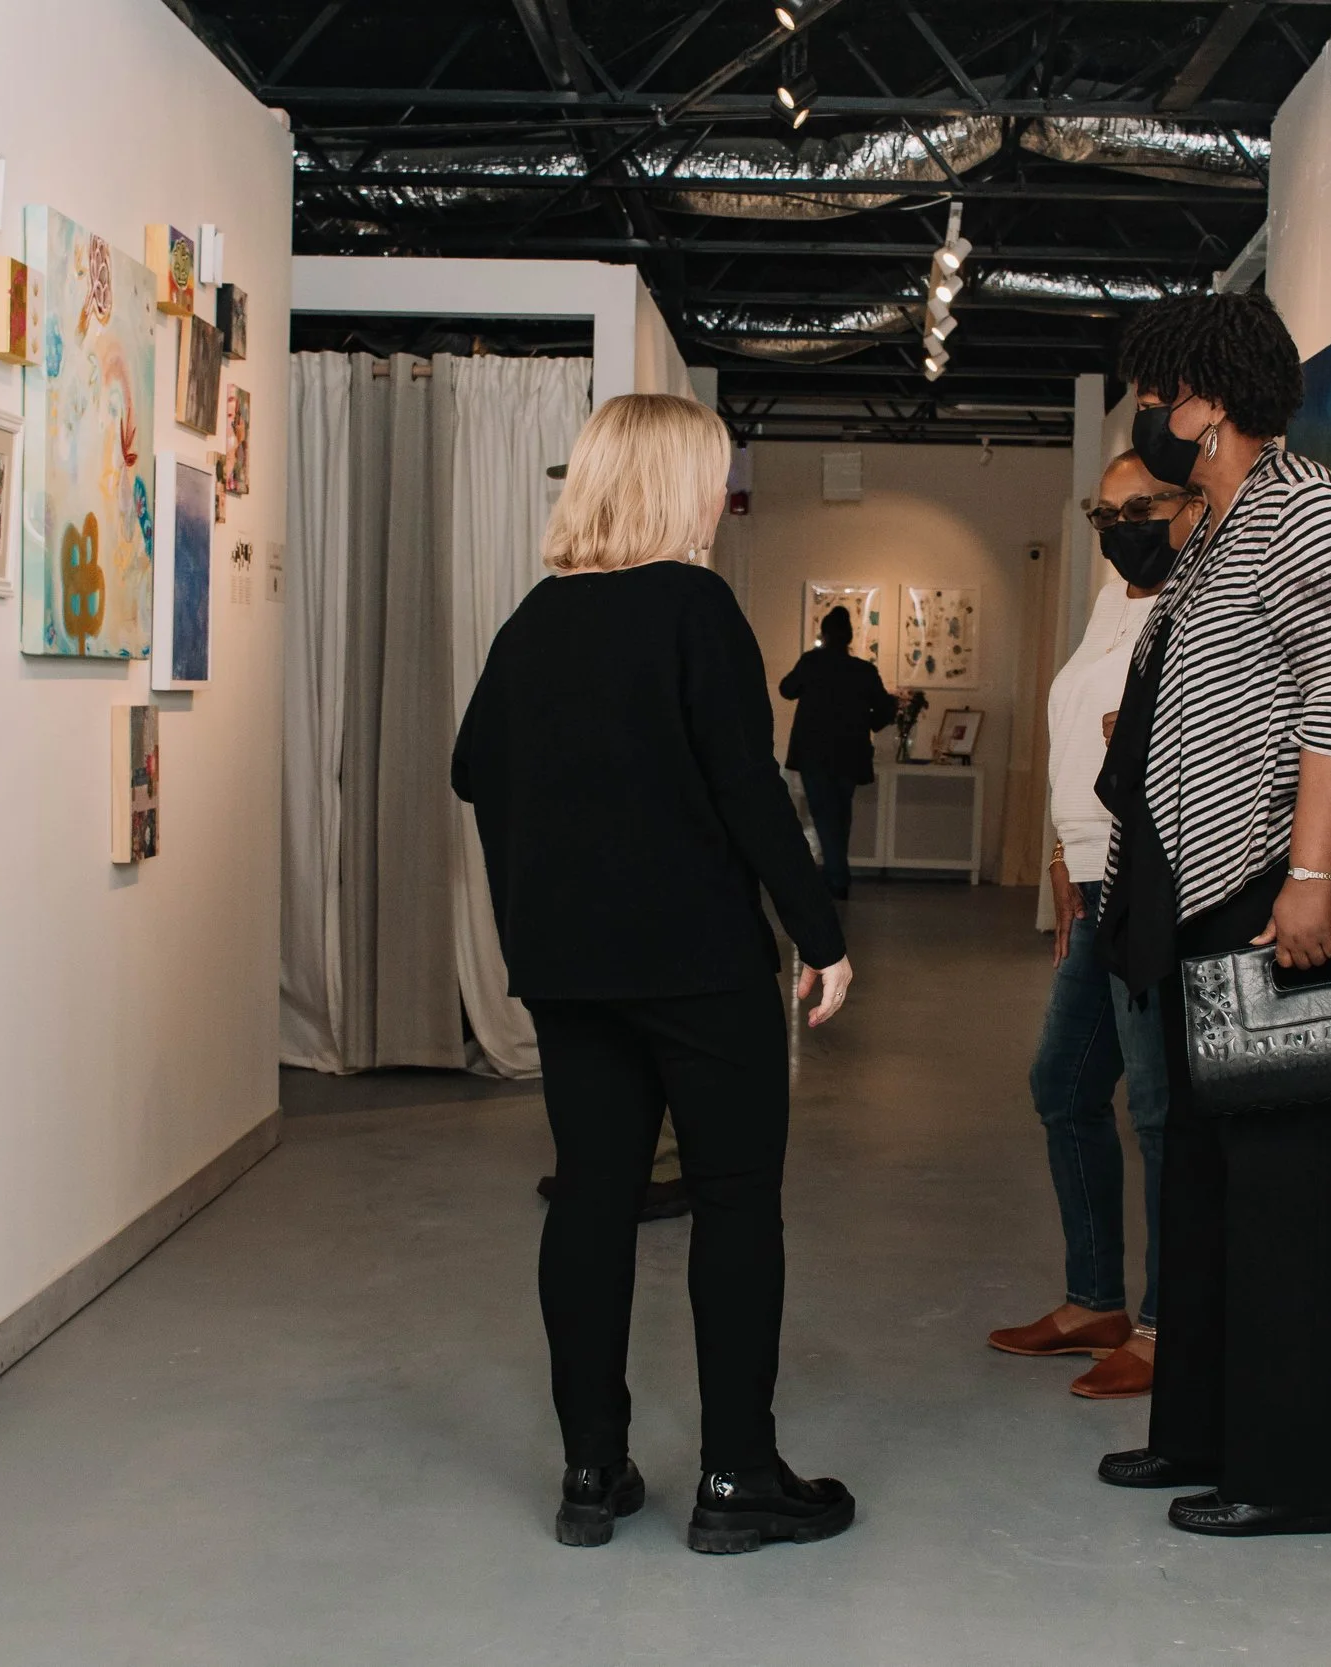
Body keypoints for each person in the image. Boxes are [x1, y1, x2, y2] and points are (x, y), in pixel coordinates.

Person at [451, 392, 860, 1556]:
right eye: (714, 477)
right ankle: (737, 1478)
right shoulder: (693, 606)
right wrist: (820, 933)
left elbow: (474, 767)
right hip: (697, 962)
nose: (722, 499)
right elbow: (746, 785)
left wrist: (538, 891)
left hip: (568, 966)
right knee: (733, 1199)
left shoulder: (535, 619)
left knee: (593, 1196)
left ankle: (591, 1470)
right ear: (677, 485)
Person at [1090, 292, 1331, 1538]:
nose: (1147, 414)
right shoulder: (1214, 524)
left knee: (1275, 1176)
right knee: (1204, 1170)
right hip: (1202, 888)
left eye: (1156, 393)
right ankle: (1202, 1430)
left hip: (1279, 877)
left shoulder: (1302, 505)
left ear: (1209, 400)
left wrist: (1311, 878)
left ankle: (1288, 1475)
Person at [987, 451, 1203, 1400]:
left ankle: (1167, 1325)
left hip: (1149, 880)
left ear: (1187, 504)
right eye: (1105, 513)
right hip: (1090, 875)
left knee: (1157, 1106)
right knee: (1063, 1084)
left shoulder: (1198, 597)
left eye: (1138, 507)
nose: (1120, 529)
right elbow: (1081, 733)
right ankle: (1095, 1301)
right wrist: (1059, 850)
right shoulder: (1113, 599)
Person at [778, 607, 897, 900]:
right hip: (850, 754)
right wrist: (867, 723)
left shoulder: (811, 663)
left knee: (824, 813)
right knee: (841, 814)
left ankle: (837, 876)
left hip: (814, 753)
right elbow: (886, 707)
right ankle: (836, 873)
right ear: (849, 637)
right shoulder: (863, 671)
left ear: (825, 634)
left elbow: (787, 689)